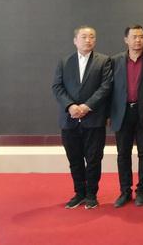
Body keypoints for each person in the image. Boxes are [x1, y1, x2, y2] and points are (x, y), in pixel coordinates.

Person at [52, 26, 112, 209]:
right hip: (69, 120)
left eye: (92, 37)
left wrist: (87, 106)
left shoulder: (104, 61)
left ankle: (92, 194)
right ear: (75, 40)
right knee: (74, 159)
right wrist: (70, 106)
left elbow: (106, 87)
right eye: (84, 37)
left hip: (94, 119)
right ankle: (79, 193)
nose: (88, 40)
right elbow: (57, 87)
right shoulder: (65, 62)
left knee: (94, 159)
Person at [109, 25, 143, 208]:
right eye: (134, 37)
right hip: (122, 113)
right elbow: (109, 89)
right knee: (123, 154)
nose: (138, 40)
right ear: (126, 40)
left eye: (141, 36)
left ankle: (142, 191)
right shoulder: (114, 61)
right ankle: (125, 191)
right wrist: (108, 114)